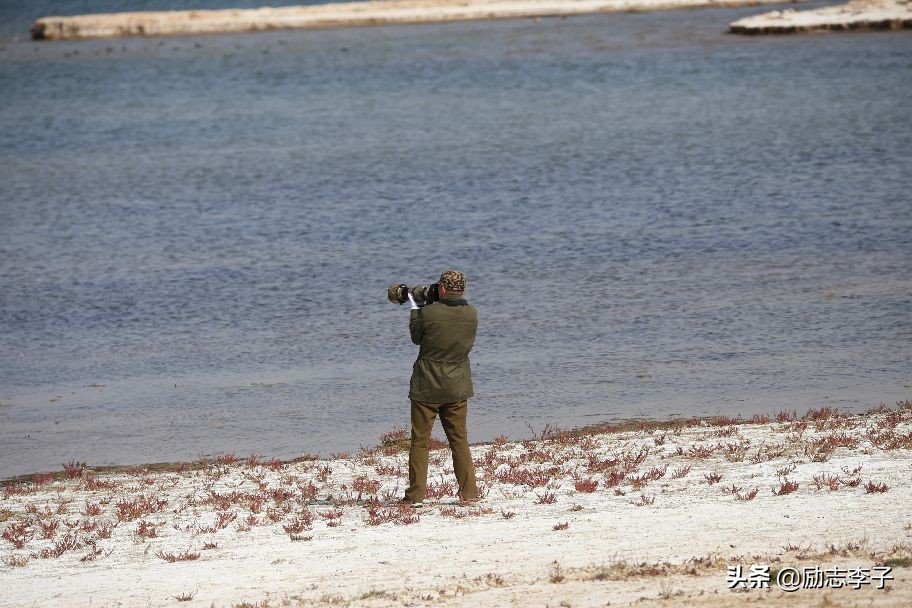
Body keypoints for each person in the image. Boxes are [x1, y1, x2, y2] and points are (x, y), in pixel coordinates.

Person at [403, 269, 479, 507]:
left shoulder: (428, 312)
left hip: (427, 385)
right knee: (459, 441)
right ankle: (469, 493)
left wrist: (416, 307)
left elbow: (417, 338)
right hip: (457, 386)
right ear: (463, 290)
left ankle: (416, 496)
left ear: (442, 289)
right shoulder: (472, 314)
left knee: (420, 442)